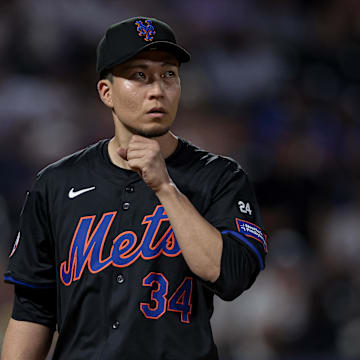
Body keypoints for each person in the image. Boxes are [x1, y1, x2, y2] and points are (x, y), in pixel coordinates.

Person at [1, 17, 267, 360]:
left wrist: (166, 187)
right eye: (139, 75)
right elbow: (33, 309)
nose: (157, 90)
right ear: (106, 92)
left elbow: (231, 275)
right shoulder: (56, 183)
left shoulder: (219, 177)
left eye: (168, 74)